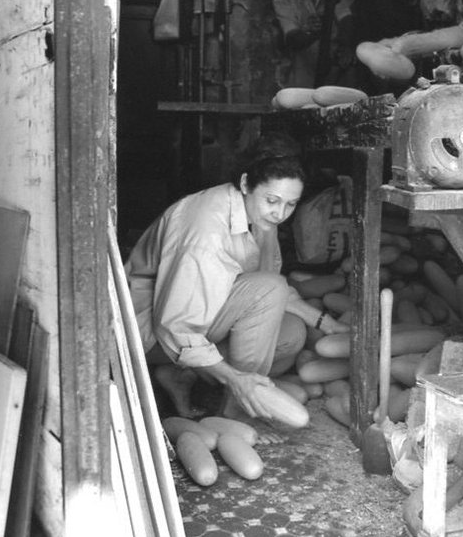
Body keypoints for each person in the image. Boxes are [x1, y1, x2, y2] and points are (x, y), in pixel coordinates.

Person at [124, 134, 349, 420]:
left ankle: (182, 374)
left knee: (291, 334)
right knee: (271, 292)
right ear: (245, 184)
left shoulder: (259, 216)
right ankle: (235, 407)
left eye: (291, 204)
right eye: (272, 200)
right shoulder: (205, 233)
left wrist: (324, 322)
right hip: (151, 331)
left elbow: (262, 286)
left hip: (201, 317)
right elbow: (176, 327)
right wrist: (236, 380)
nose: (280, 213)